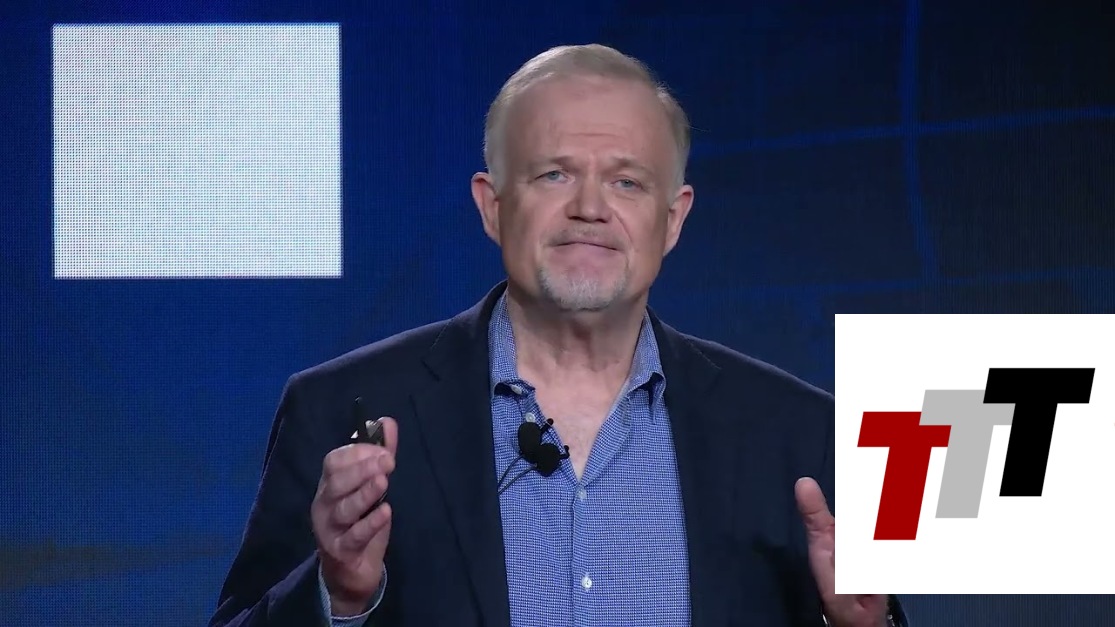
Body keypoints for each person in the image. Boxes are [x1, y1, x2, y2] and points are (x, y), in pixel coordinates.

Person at [210, 44, 907, 627]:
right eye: (554, 174)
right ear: (492, 206)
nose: (589, 208)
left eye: (627, 182)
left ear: (673, 219)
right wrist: (336, 594)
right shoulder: (338, 409)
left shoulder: (800, 433)